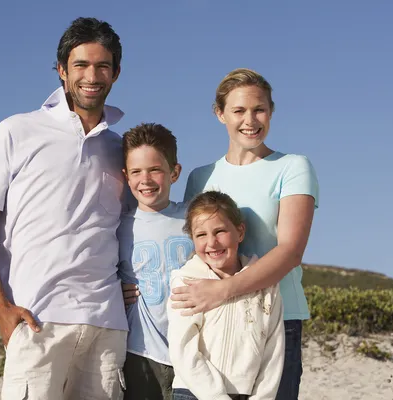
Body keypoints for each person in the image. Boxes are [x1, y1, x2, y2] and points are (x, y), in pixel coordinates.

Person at [0, 17, 128, 400]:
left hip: (107, 324)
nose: (92, 75)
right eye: (80, 65)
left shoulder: (122, 148)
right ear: (61, 71)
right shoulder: (17, 131)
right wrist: (1, 309)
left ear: (116, 73)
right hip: (38, 320)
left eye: (102, 66)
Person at [172, 68, 319, 400]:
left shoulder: (293, 167)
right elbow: (194, 246)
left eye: (259, 109)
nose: (250, 120)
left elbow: (291, 251)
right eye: (238, 110)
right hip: (213, 320)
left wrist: (225, 289)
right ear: (220, 114)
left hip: (275, 320)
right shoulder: (200, 177)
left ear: (271, 111)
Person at [167, 191, 284, 400]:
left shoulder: (266, 286)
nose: (211, 243)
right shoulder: (186, 281)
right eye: (201, 235)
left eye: (220, 231)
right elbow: (182, 348)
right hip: (194, 392)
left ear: (240, 232)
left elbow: (274, 350)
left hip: (246, 394)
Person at [117, 123, 194, 400]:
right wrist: (116, 291)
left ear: (174, 172)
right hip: (141, 352)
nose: (145, 179)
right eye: (136, 172)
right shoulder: (119, 226)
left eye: (155, 170)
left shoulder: (195, 218)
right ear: (126, 176)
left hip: (194, 350)